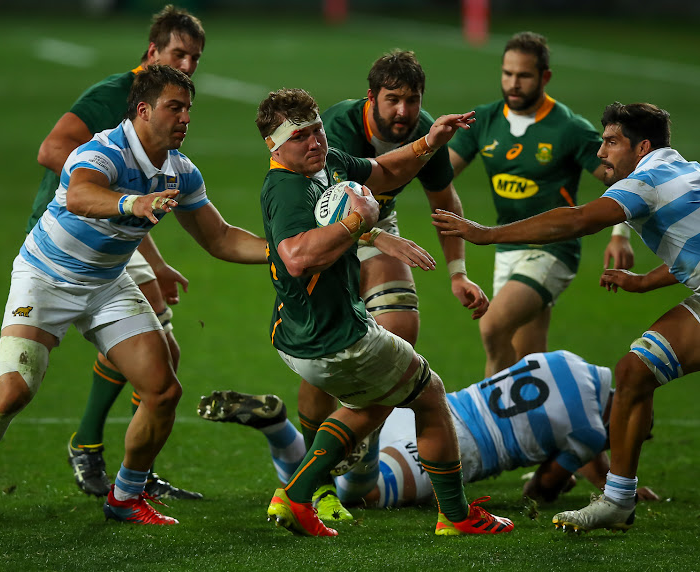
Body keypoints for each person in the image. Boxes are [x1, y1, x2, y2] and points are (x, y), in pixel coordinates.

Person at [0, 65, 267, 527]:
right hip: (45, 278)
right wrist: (130, 202)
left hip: (107, 284)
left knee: (161, 390)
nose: (185, 119)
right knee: (14, 391)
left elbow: (220, 238)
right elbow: (80, 195)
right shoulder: (103, 150)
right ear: (143, 110)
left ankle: (125, 496)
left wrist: (283, 253)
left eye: (188, 110)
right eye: (174, 108)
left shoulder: (180, 171)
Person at [255, 87, 513, 537]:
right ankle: (455, 516)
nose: (315, 142)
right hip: (336, 339)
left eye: (317, 130)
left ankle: (297, 495)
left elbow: (384, 169)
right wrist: (359, 222)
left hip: (299, 335)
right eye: (300, 136)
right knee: (430, 395)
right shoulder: (287, 189)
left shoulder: (326, 162)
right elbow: (296, 256)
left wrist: (429, 142)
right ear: (274, 145)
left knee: (372, 401)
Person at [432, 101, 695, 533]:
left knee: (634, 373)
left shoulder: (646, 180)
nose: (601, 153)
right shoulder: (685, 172)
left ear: (642, 146)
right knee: (634, 372)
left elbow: (575, 221)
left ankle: (616, 498)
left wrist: (486, 235)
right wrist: (646, 281)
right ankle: (617, 501)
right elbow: (693, 244)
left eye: (611, 142)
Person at [290, 51, 488, 519]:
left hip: (377, 222)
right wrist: (379, 238)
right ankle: (314, 480)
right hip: (320, 230)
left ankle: (358, 461)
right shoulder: (336, 128)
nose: (403, 112)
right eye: (393, 100)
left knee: (398, 335)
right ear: (371, 97)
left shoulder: (426, 129)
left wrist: (458, 272)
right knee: (322, 357)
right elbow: (329, 206)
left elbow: (445, 200)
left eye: (412, 100)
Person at [28, 5, 206, 499]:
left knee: (162, 353)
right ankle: (98, 452)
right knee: (155, 356)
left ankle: (112, 455)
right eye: (178, 54)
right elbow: (51, 149)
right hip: (73, 229)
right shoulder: (116, 94)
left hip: (113, 225)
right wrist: (99, 184)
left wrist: (154, 253)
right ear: (152, 52)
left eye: (195, 57)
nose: (188, 66)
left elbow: (135, 200)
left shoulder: (168, 109)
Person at [198, 351, 659, 506]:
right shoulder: (591, 434)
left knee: (327, 478)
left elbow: (563, 420)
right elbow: (541, 489)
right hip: (457, 450)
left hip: (432, 410)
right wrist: (591, 476)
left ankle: (352, 427)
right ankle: (286, 429)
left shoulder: (568, 362)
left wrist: (604, 470)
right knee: (361, 495)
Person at [447, 31, 634, 377]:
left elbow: (623, 178)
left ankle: (492, 425)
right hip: (507, 247)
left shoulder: (568, 128)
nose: (513, 83)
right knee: (527, 363)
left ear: (545, 77)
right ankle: (547, 424)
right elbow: (441, 175)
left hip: (553, 249)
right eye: (507, 73)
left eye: (523, 75)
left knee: (492, 328)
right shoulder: (485, 120)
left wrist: (621, 234)